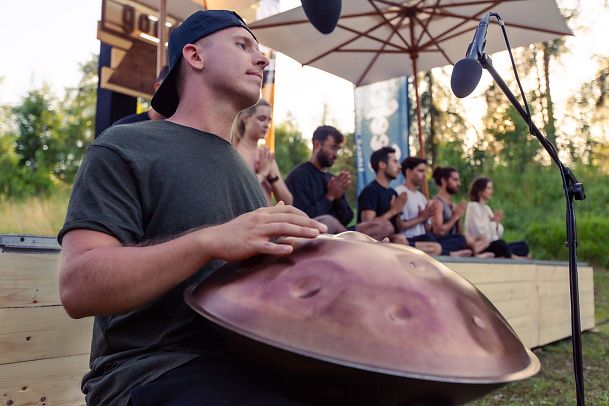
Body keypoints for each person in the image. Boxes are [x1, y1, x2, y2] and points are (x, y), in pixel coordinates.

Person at [57, 10, 327, 405]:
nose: (262, 58)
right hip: (149, 371)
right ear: (195, 56)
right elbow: (78, 287)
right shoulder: (124, 147)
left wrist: (337, 258)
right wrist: (209, 241)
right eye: (242, 44)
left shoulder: (241, 169)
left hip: (249, 362)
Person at [286, 125, 392, 240]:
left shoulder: (332, 179)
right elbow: (304, 217)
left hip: (340, 235)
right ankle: (354, 240)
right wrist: (330, 196)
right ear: (317, 145)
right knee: (329, 221)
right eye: (333, 148)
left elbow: (346, 218)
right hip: (315, 236)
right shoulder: (299, 175)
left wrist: (339, 197)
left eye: (338, 149)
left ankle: (352, 240)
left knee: (384, 226)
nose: (336, 154)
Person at [357, 147, 441, 255]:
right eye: (395, 162)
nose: (399, 167)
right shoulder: (370, 191)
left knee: (436, 247)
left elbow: (398, 226)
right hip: (375, 246)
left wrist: (424, 216)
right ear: (382, 165)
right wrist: (393, 211)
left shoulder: (393, 193)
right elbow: (369, 229)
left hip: (396, 241)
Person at [395, 157, 469, 256]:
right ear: (408, 172)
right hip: (408, 239)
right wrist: (421, 218)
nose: (424, 175)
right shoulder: (400, 192)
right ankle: (450, 253)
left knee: (461, 239)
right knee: (433, 242)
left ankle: (448, 252)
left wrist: (426, 220)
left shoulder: (421, 197)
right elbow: (399, 225)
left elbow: (428, 228)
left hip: (424, 238)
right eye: (420, 171)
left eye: (425, 171)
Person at [232, 99, 293, 205]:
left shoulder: (265, 156)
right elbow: (237, 195)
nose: (266, 125)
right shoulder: (234, 152)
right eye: (261, 119)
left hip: (268, 219)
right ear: (246, 118)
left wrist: (272, 177)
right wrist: (263, 173)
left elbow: (288, 201)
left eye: (269, 120)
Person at [430, 166, 492, 257]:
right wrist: (455, 217)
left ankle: (470, 253)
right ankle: (474, 255)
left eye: (458, 180)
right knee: (465, 239)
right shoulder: (437, 203)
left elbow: (458, 232)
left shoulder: (453, 205)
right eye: (455, 180)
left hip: (455, 240)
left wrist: (458, 218)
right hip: (442, 242)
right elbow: (438, 232)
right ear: (444, 181)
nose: (458, 183)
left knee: (483, 239)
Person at [465, 176, 530, 259]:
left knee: (523, 245)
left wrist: (496, 223)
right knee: (501, 244)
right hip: (482, 245)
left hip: (494, 243)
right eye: (488, 188)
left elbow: (498, 233)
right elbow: (479, 233)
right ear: (480, 190)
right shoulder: (473, 207)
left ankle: (505, 254)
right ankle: (512, 256)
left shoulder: (487, 208)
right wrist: (494, 222)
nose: (491, 191)